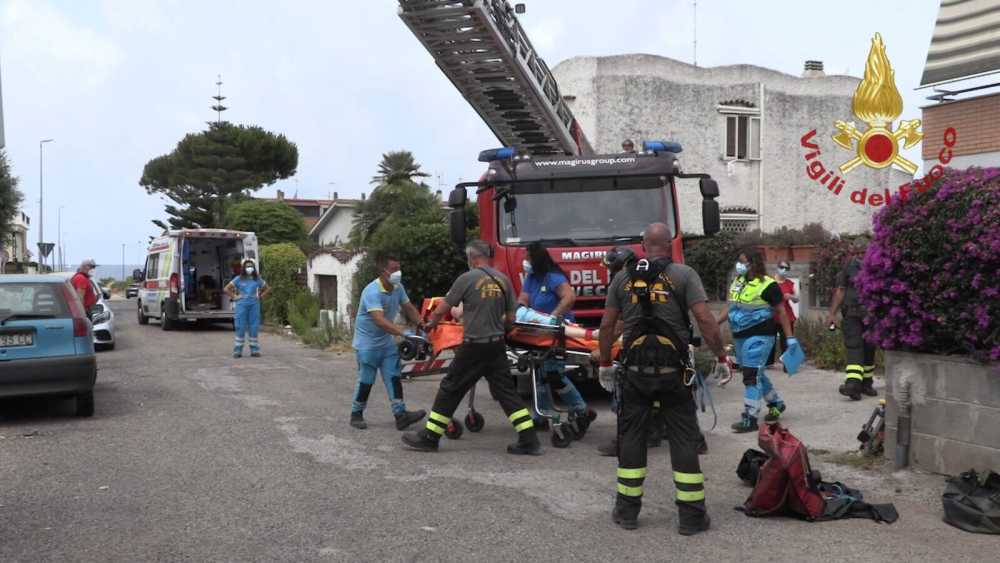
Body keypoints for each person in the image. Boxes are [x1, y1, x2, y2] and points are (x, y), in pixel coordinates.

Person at [597, 223, 731, 534]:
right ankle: (692, 517)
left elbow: (607, 327)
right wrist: (721, 357)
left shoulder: (621, 278)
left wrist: (604, 362)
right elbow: (705, 319)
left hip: (634, 372)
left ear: (644, 245)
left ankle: (627, 511)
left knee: (632, 437)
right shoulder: (685, 275)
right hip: (674, 373)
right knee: (683, 438)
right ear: (669, 245)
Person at [402, 240, 541, 455]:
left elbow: (442, 309)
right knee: (506, 393)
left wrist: (430, 325)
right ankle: (529, 439)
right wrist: (495, 326)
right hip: (496, 346)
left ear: (472, 258)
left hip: (474, 347)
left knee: (450, 388)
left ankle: (430, 437)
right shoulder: (503, 280)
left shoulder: (466, 279)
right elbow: (511, 318)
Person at [717, 249, 800, 433]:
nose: (739, 265)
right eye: (738, 261)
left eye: (743, 261)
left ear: (753, 264)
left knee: (751, 376)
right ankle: (776, 403)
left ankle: (750, 417)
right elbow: (730, 306)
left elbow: (781, 312)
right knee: (756, 373)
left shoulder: (769, 285)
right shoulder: (737, 282)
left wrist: (790, 339)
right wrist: (715, 324)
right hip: (739, 335)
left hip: (761, 336)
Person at [518, 242, 591, 430]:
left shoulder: (554, 278)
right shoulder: (532, 278)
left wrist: (553, 317)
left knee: (553, 374)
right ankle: (541, 414)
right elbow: (524, 298)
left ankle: (581, 409)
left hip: (558, 331)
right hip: (537, 332)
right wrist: (521, 311)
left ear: (537, 260)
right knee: (539, 374)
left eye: (527, 258)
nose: (524, 261)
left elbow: (569, 297)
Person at [349, 255, 426, 430]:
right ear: (383, 272)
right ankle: (356, 414)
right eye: (393, 269)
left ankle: (400, 415)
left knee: (394, 376)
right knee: (366, 380)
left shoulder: (398, 287)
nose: (397, 272)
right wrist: (404, 333)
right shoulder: (372, 291)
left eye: (399, 268)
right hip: (367, 344)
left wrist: (421, 323)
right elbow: (379, 320)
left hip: (385, 343)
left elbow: (409, 308)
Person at [827, 240, 877, 400]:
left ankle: (866, 383)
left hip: (871, 315)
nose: (860, 256)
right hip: (851, 314)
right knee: (854, 346)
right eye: (858, 253)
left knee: (869, 348)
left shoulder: (877, 266)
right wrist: (832, 314)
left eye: (863, 253)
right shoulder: (848, 267)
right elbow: (840, 291)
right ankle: (853, 384)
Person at [224, 259, 271, 358]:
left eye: (251, 266)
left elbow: (268, 288)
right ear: (243, 268)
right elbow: (226, 289)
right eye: (247, 266)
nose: (249, 268)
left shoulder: (257, 279)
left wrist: (260, 296)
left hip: (254, 304)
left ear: (254, 268)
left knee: (254, 327)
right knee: (240, 327)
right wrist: (235, 297)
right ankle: (237, 351)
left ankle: (254, 350)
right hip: (241, 305)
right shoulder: (238, 279)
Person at [770, 261, 799, 364]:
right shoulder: (770, 282)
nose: (784, 270)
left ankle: (787, 361)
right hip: (771, 316)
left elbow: (797, 299)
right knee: (770, 340)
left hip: (787, 316)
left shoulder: (789, 283)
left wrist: (790, 296)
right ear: (777, 267)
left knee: (786, 339)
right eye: (782, 267)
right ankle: (769, 362)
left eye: (786, 268)